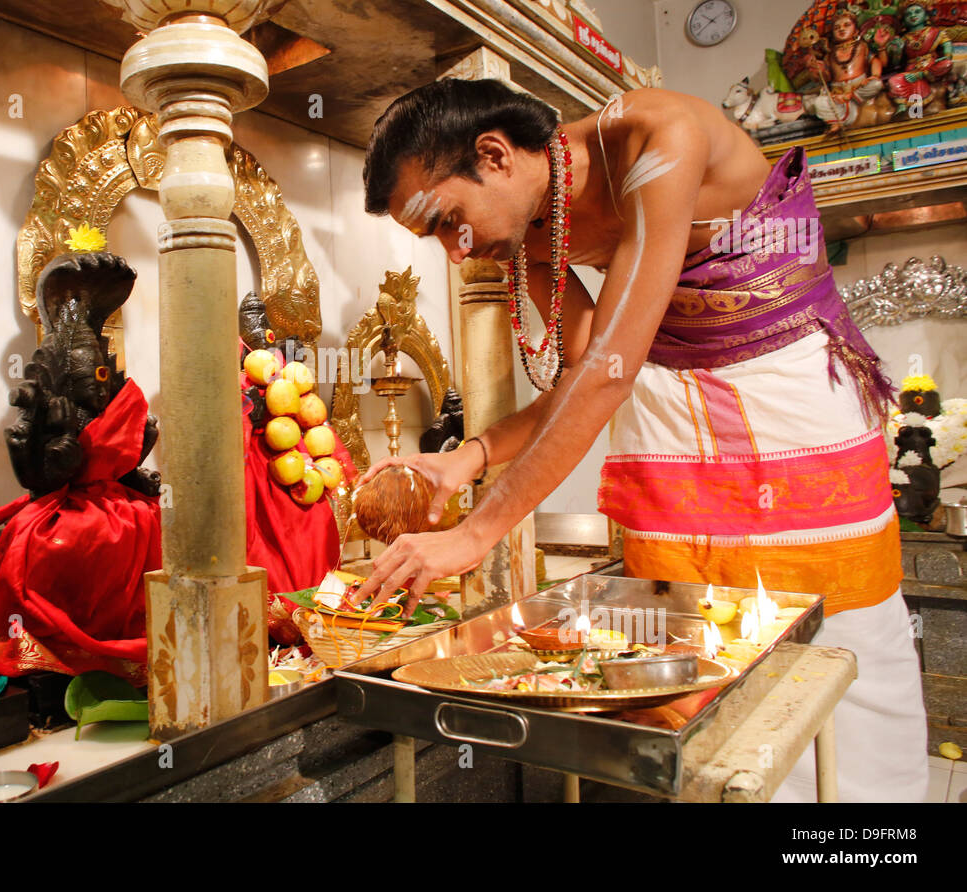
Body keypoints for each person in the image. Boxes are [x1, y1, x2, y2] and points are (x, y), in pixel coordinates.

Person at [352, 78, 926, 802]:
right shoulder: (529, 239)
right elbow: (573, 386)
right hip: (671, 417)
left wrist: (476, 533)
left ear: (495, 156)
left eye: (445, 222)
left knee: (836, 647)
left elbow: (605, 375)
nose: (456, 254)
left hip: (787, 398)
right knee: (694, 651)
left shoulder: (657, 136)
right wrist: (462, 460)